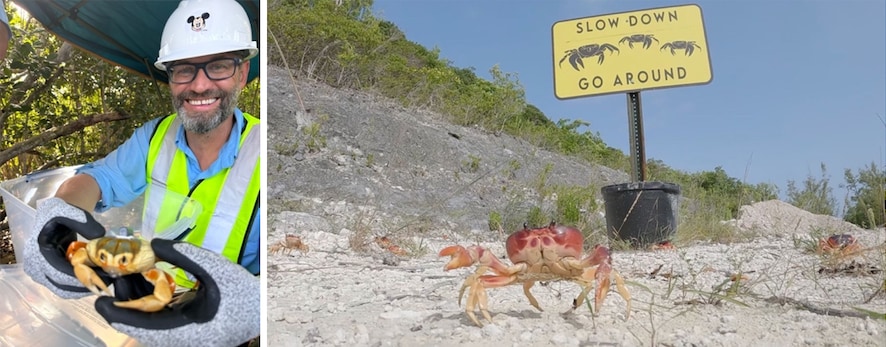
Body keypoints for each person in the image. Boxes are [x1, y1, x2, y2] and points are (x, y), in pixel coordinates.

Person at [22, 0, 260, 346]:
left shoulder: (267, 152)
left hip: (226, 331)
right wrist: (61, 211)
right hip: (144, 308)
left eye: (219, 66)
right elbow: (96, 178)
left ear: (241, 73)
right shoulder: (153, 137)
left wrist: (254, 308)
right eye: (183, 69)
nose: (198, 85)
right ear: (170, 77)